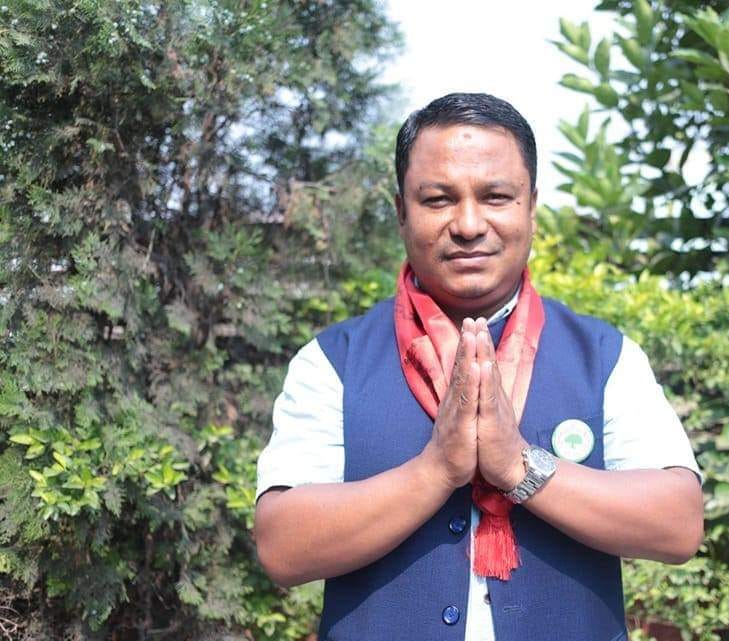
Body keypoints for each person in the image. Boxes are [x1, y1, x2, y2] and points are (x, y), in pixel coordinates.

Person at [253, 93, 703, 641]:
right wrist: (435, 470)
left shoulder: (605, 357)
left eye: (495, 197)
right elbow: (282, 546)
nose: (468, 224)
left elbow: (678, 525)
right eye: (438, 199)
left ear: (531, 207)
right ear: (401, 212)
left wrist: (519, 466)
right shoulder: (334, 361)